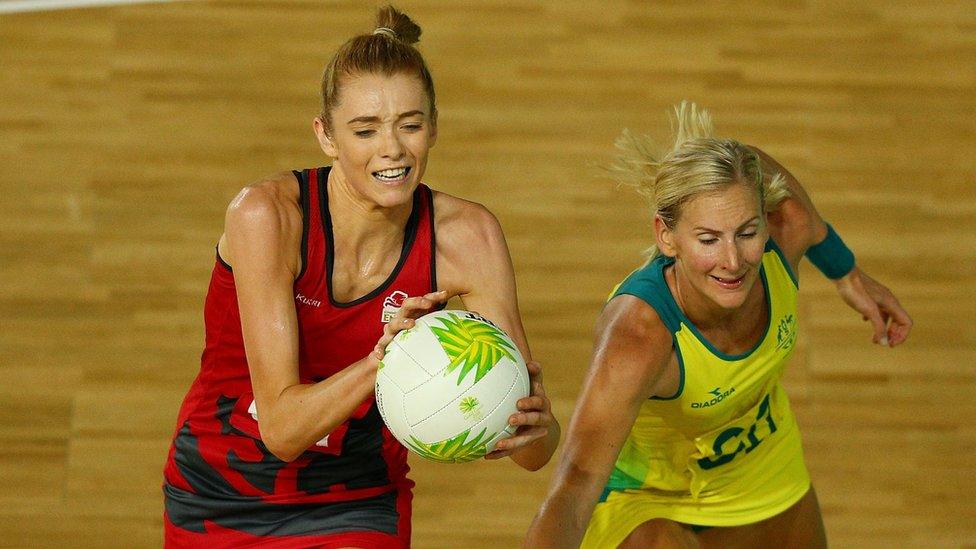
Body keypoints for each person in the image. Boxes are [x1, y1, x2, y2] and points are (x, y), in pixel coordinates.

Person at [162, 6, 559, 547]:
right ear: (326, 136)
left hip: (359, 495)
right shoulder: (268, 216)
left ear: (434, 127)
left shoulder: (469, 236)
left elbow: (534, 455)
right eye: (365, 130)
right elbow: (281, 431)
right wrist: (384, 358)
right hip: (221, 487)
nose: (392, 149)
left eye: (410, 125)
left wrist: (531, 426)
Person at [524, 102, 911, 548]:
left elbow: (761, 170)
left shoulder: (785, 234)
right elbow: (574, 485)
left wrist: (847, 273)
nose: (732, 261)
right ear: (666, 236)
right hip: (649, 500)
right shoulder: (640, 335)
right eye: (708, 239)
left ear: (766, 221)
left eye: (747, 233)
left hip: (763, 467)